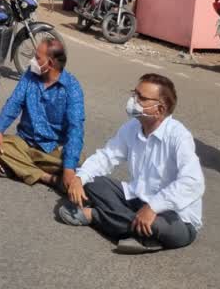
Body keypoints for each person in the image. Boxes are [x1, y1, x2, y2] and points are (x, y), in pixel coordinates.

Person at [58, 74, 205, 254]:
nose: (134, 100)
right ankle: (139, 233)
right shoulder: (132, 127)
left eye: (141, 98)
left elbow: (193, 182)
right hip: (137, 199)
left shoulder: (179, 137)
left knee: (157, 225)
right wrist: (79, 178)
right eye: (134, 94)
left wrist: (153, 207)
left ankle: (96, 216)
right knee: (93, 182)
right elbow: (106, 156)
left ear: (159, 109)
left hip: (177, 217)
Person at [0, 39, 85, 189]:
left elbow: (75, 127)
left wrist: (69, 168)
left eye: (38, 58)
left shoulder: (72, 88)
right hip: (25, 142)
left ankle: (20, 167)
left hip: (52, 148)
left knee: (77, 164)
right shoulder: (30, 76)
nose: (32, 61)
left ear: (50, 64)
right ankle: (47, 178)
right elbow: (14, 103)